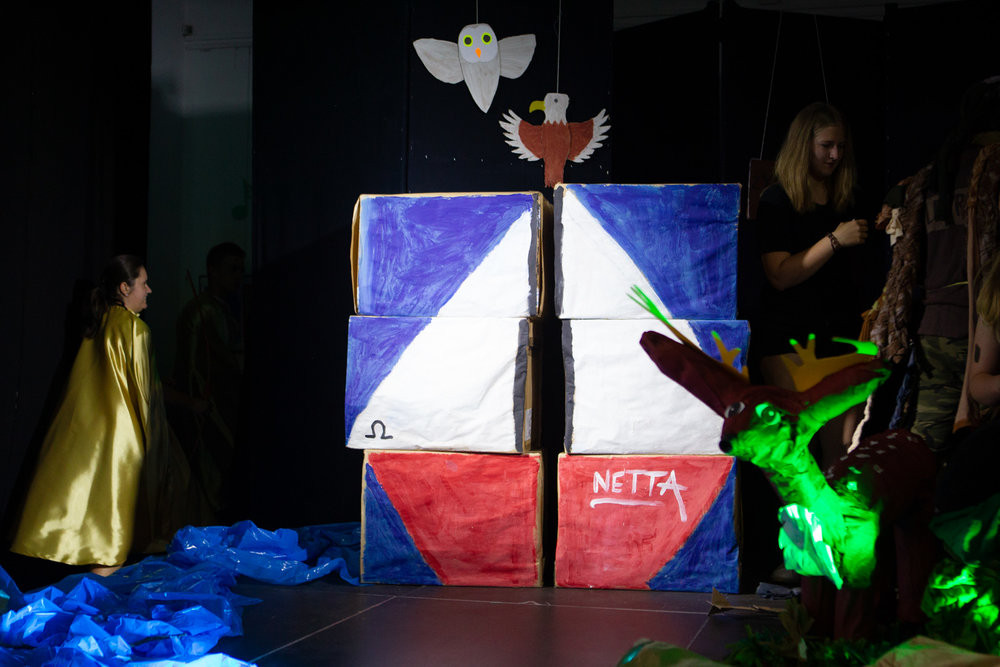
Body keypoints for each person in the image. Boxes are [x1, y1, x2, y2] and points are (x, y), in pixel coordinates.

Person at [10, 255, 191, 575]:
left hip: (85, 440)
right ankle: (98, 600)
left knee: (97, 531)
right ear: (124, 287)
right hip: (122, 445)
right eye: (144, 283)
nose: (149, 290)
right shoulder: (136, 330)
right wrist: (158, 453)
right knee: (112, 546)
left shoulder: (98, 323)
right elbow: (145, 398)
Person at [754, 102, 875, 469]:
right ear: (803, 145)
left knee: (842, 452)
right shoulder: (777, 200)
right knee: (797, 455)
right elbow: (780, 275)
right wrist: (834, 240)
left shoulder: (847, 200)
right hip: (789, 338)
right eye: (826, 146)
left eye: (841, 146)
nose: (835, 155)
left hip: (839, 336)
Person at [169, 242, 246, 523]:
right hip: (207, 411)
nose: (238, 276)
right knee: (210, 480)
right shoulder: (200, 312)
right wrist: (193, 406)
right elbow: (188, 367)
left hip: (227, 407)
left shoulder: (225, 310)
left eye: (240, 270)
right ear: (213, 271)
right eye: (232, 269)